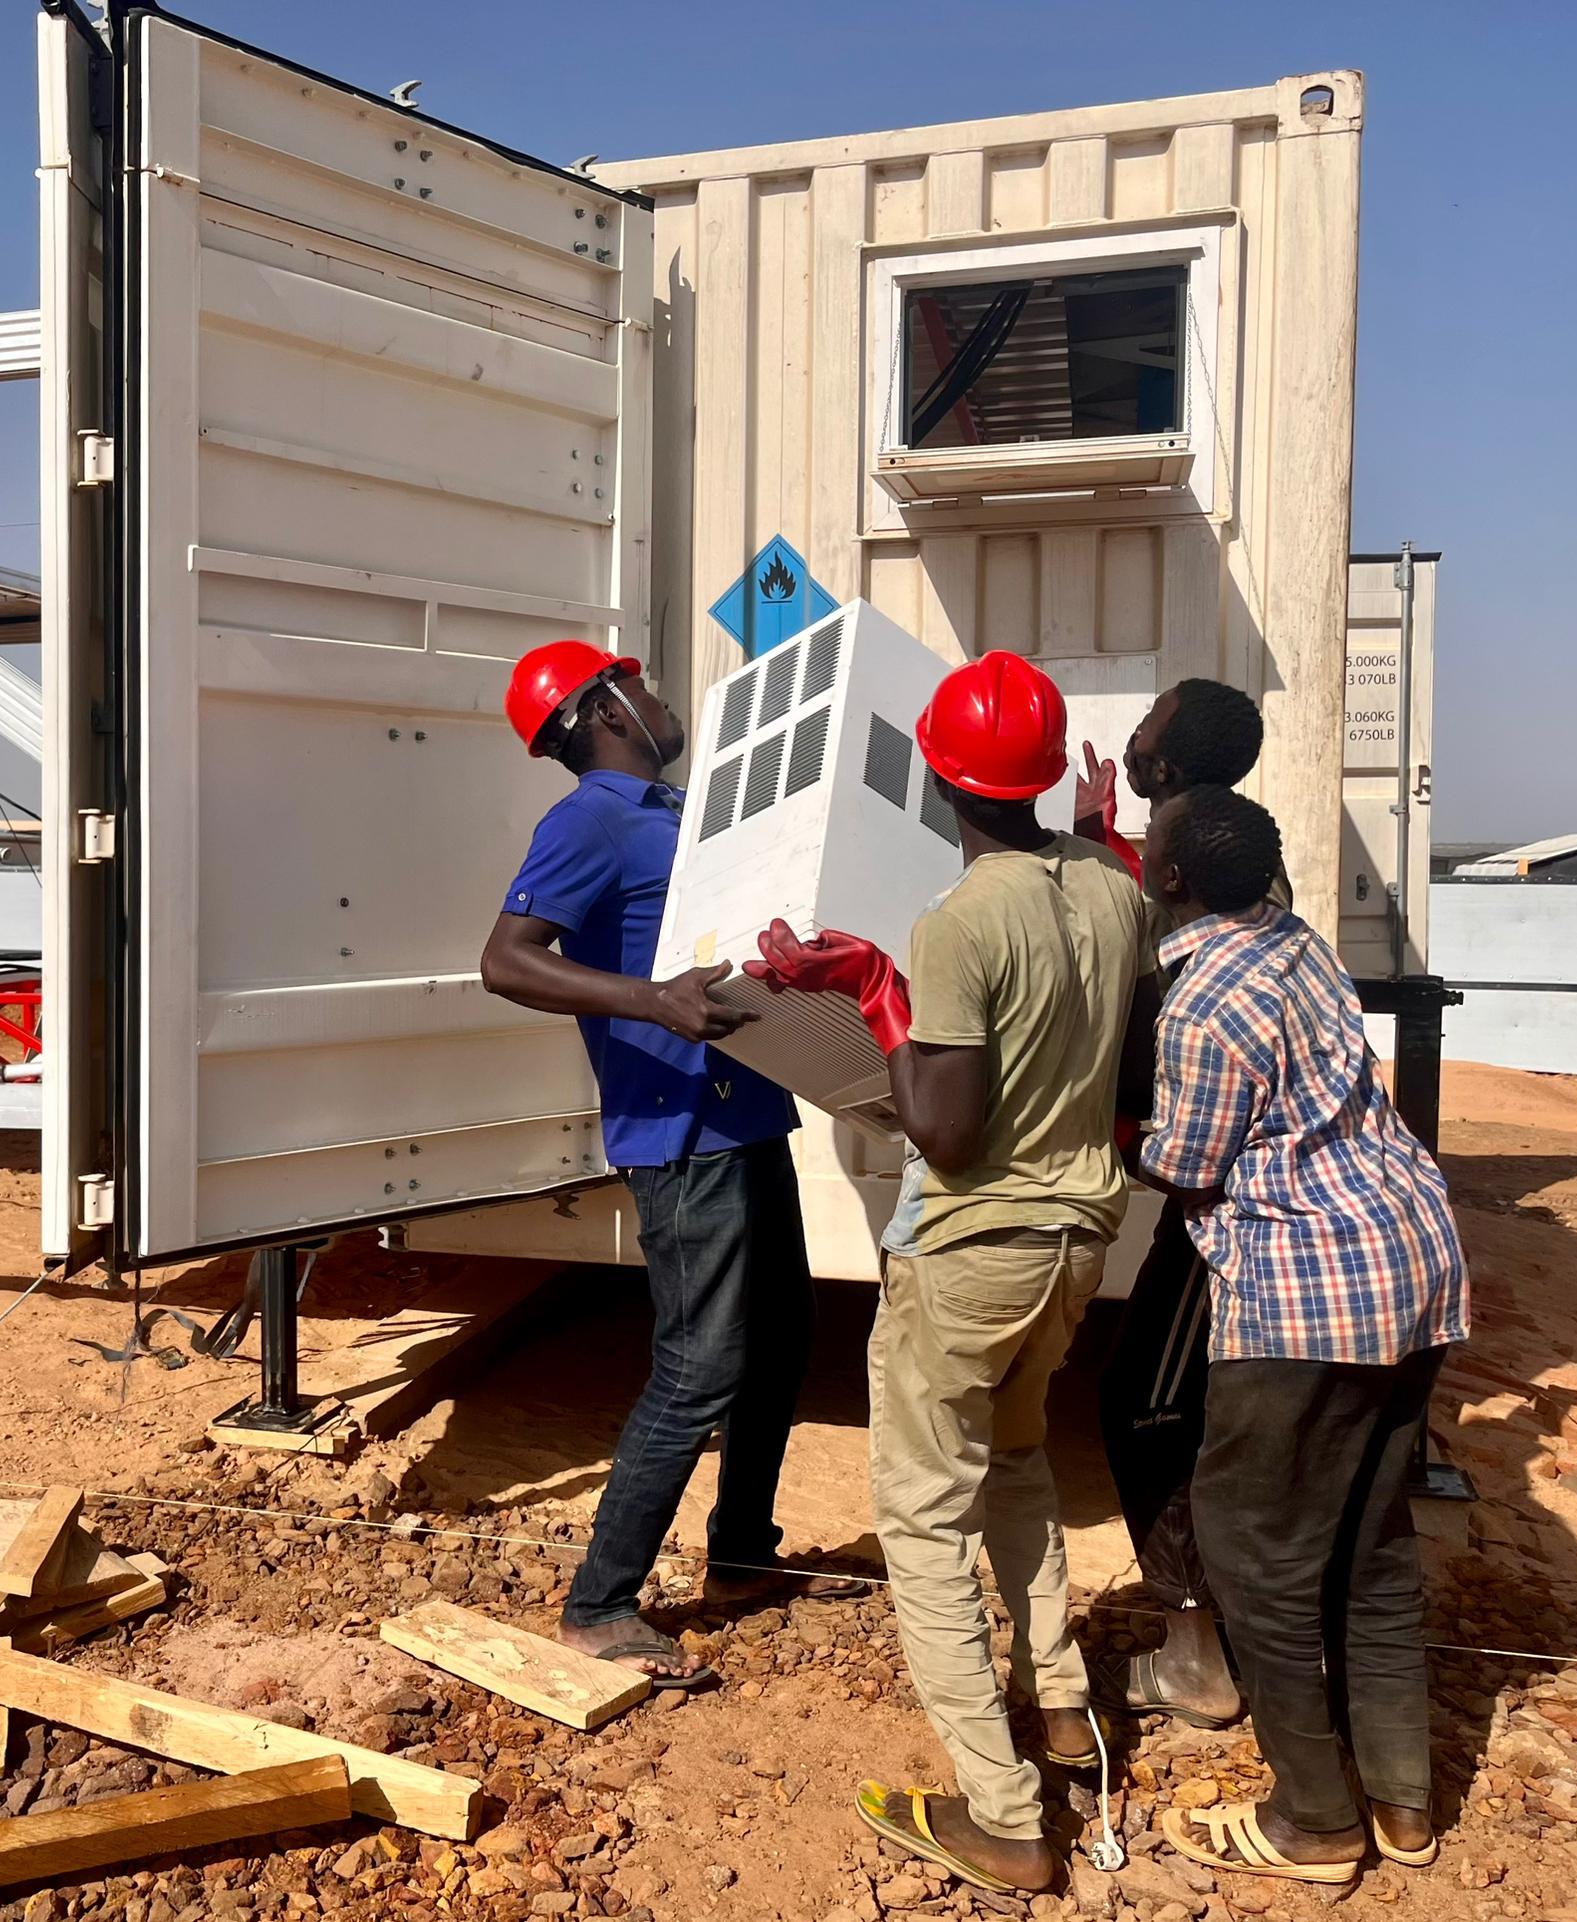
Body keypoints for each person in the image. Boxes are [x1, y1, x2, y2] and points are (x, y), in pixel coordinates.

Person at [751, 651, 1156, 1895]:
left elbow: (947, 1128)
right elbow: (1123, 1037)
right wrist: (1099, 838)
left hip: (972, 1250)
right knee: (1021, 1466)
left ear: (934, 772)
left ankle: (1003, 1811)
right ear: (1044, 773)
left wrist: (872, 985)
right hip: (1079, 1244)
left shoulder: (960, 919)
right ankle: (1069, 1726)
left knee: (923, 1522)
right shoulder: (1112, 887)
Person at [480, 640, 854, 1691]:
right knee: (699, 1366)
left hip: (742, 1110)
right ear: (602, 706)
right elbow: (505, 959)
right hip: (678, 1134)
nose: (657, 694)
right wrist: (654, 1002)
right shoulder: (590, 816)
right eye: (635, 682)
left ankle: (739, 1553)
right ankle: (599, 1603)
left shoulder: (668, 807)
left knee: (781, 1340)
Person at [1134, 786, 1467, 1885]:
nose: (1139, 849)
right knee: (1369, 1539)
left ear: (1172, 878)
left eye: (1148, 841)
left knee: (1252, 1548)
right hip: (1409, 1254)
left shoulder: (1200, 1004)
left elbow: (1184, 1163)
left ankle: (1315, 1818)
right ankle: (1400, 1797)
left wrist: (1117, 1125)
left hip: (1307, 1290)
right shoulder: (1293, 937)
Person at [1075, 677, 1276, 1729]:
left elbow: (1191, 1155)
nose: (1134, 738)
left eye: (1148, 729)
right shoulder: (1226, 855)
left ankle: (1198, 1647)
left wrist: (1108, 1131)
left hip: (1227, 1211)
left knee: (1146, 1406)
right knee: (1184, 1408)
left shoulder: (1192, 880)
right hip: (1224, 1194)